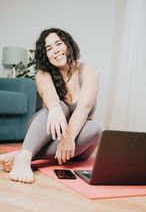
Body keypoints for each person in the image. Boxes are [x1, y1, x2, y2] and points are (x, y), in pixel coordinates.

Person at [0, 28, 101, 183]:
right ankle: (25, 156)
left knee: (94, 128)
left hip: (73, 143)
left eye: (58, 44)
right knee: (61, 105)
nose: (55, 50)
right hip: (44, 131)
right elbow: (48, 93)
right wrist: (55, 108)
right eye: (49, 49)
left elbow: (84, 108)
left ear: (68, 45)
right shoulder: (43, 73)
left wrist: (68, 138)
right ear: (45, 55)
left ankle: (23, 155)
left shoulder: (88, 72)